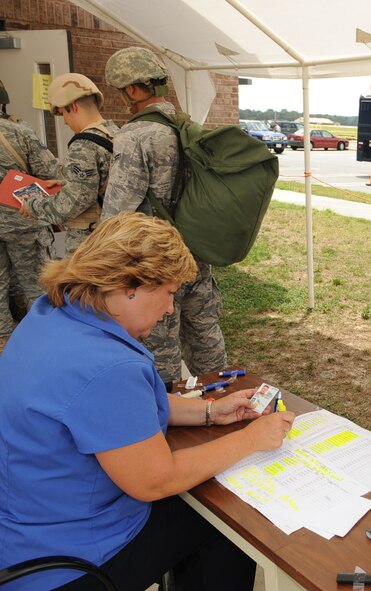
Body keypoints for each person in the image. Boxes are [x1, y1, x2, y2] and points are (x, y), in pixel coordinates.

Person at [0, 212, 296, 591]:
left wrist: (210, 411)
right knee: (225, 522)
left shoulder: (53, 313)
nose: (171, 308)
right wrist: (251, 439)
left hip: (26, 530)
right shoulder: (107, 366)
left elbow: (116, 410)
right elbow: (155, 481)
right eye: (169, 293)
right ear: (130, 286)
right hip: (67, 562)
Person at [103, 47, 227, 385]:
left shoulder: (135, 135)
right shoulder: (188, 127)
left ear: (130, 89)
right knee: (205, 333)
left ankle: (169, 419)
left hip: (155, 262)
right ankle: (220, 402)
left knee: (159, 346)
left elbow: (117, 215)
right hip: (196, 254)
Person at [20, 73, 119, 253]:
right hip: (114, 234)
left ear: (72, 106)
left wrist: (33, 206)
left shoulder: (84, 144)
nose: (65, 121)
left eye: (63, 114)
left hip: (90, 243)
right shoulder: (114, 132)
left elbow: (72, 204)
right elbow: (103, 182)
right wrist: (68, 183)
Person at [0, 79, 59, 347]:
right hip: (22, 220)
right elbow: (51, 174)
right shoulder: (18, 132)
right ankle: (43, 342)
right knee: (36, 285)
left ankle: (4, 344)